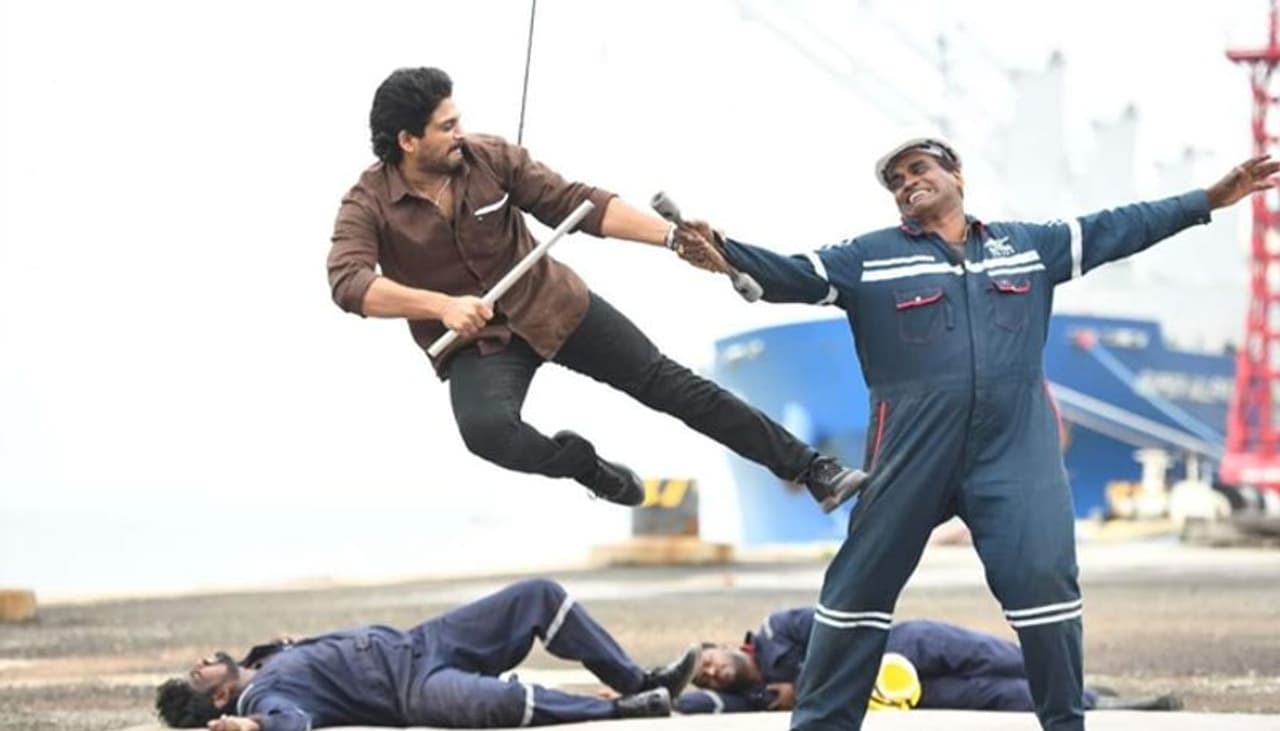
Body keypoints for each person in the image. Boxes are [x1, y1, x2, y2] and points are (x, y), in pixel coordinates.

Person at [673, 140, 1278, 731]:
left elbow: (1119, 227)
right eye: (896, 182)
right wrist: (724, 252)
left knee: (1047, 587)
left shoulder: (1029, 247)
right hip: (910, 454)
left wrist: (1208, 199)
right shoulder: (871, 258)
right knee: (856, 590)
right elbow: (793, 273)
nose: (907, 184)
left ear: (956, 175)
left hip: (1016, 455)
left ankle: (1065, 722)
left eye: (919, 169)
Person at [326, 67, 865, 512]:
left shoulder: (489, 157)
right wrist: (441, 306)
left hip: (554, 306)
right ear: (408, 141)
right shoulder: (366, 203)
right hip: (478, 341)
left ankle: (813, 469)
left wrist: (671, 238)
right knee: (487, 435)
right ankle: (586, 467)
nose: (460, 133)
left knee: (673, 386)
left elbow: (578, 203)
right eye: (447, 127)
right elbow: (348, 283)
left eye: (458, 120)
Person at [153, 578, 699, 730]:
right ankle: (626, 709)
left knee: (538, 595)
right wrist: (253, 727)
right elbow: (290, 720)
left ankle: (637, 680)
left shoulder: (263, 658)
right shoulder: (262, 696)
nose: (202, 660)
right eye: (198, 673)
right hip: (411, 692)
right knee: (501, 705)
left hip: (424, 641)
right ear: (220, 697)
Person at [675, 606, 1181, 714]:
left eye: (708, 661)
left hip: (903, 646)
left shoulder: (777, 628)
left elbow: (840, 631)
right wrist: (653, 692)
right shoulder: (750, 697)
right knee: (997, 697)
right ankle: (1099, 705)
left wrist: (801, 687)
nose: (713, 672)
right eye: (706, 678)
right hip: (900, 697)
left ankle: (1075, 681)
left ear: (720, 644)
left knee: (1002, 659)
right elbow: (693, 707)